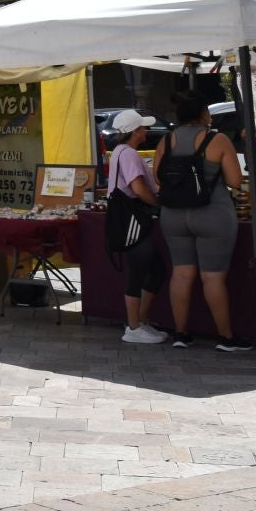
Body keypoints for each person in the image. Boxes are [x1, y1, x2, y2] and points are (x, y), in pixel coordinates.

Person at [152, 90, 248, 352]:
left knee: (181, 274)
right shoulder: (217, 140)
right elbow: (235, 181)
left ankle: (181, 334)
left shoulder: (165, 141)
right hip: (212, 213)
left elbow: (158, 178)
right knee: (212, 278)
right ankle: (226, 337)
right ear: (204, 114)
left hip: (173, 215)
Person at [106, 110, 166, 344]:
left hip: (127, 216)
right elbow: (138, 189)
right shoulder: (129, 154)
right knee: (140, 270)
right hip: (132, 216)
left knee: (155, 269)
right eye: (142, 128)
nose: (145, 131)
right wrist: (158, 204)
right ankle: (133, 326)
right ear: (134, 132)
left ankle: (140, 321)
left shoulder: (119, 151)